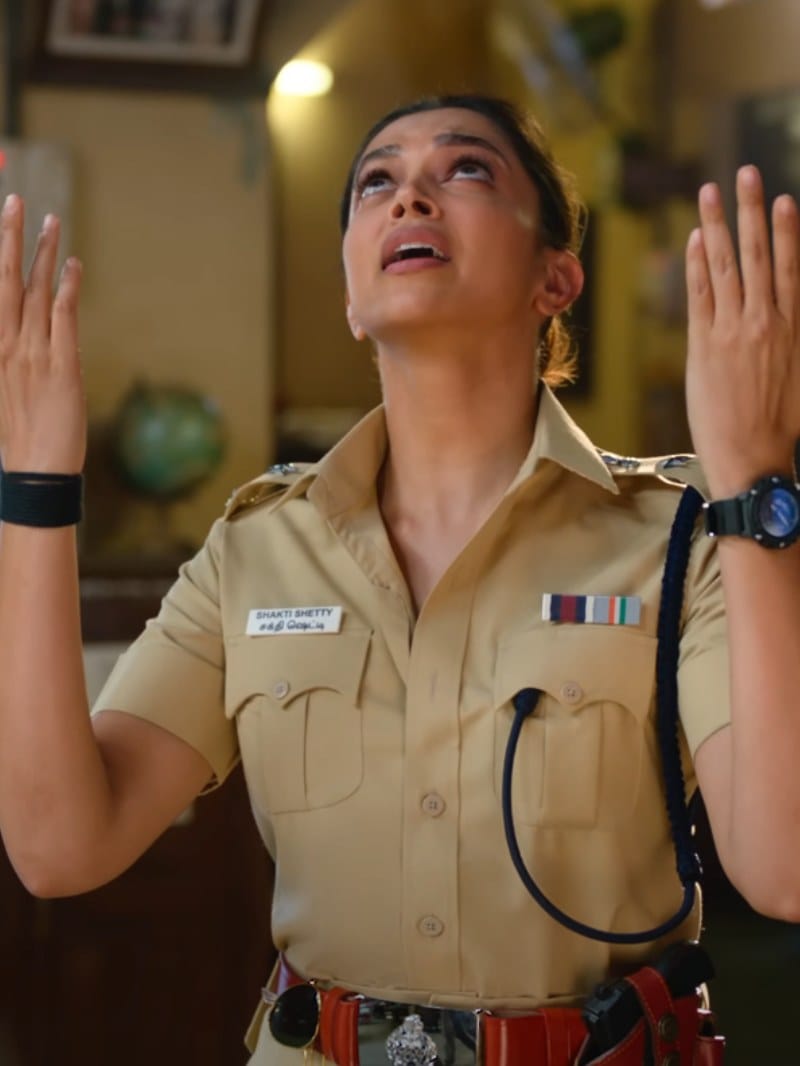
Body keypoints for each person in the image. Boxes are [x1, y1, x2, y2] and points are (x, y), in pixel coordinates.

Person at [1, 92, 799, 1066]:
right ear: (350, 295)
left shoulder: (678, 539)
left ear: (555, 278)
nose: (409, 197)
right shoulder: (257, 548)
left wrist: (753, 479)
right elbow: (61, 845)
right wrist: (35, 488)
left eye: (464, 169)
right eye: (376, 182)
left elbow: (784, 870)